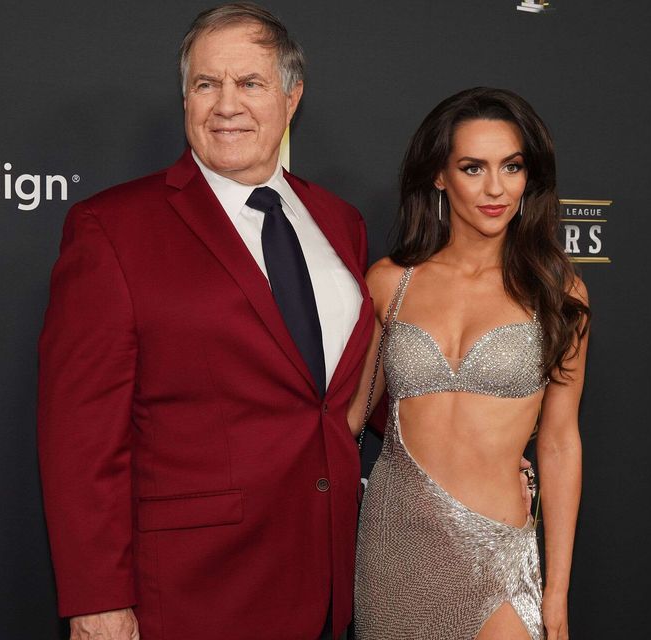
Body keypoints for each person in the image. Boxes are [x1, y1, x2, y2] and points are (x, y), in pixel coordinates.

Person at [37, 4, 373, 639]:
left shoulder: (340, 222)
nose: (226, 105)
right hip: (192, 590)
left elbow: (341, 391)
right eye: (206, 84)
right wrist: (98, 600)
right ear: (185, 97)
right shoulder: (112, 228)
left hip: (324, 578)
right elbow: (80, 437)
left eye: (250, 82)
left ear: (292, 98)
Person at [350, 87, 589, 640]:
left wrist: (556, 591)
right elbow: (350, 419)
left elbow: (559, 443)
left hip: (497, 549)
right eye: (472, 167)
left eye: (512, 167)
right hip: (395, 543)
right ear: (440, 175)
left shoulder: (558, 294)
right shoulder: (390, 282)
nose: (495, 188)